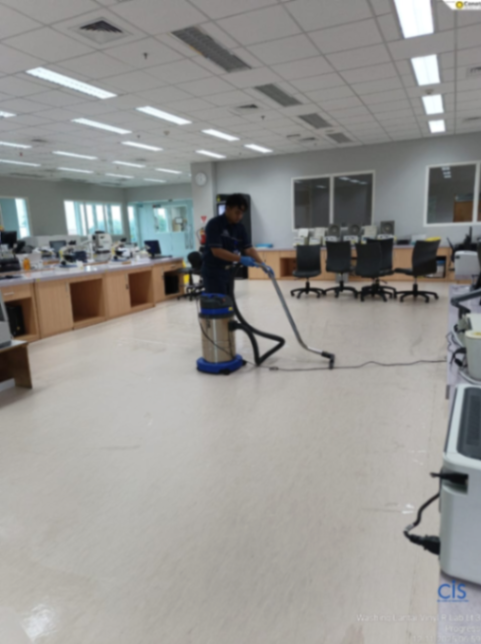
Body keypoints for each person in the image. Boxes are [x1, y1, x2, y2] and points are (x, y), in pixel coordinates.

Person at [201, 194, 264, 294]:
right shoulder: (214, 224)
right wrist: (240, 259)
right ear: (228, 209)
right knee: (218, 302)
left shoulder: (240, 228)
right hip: (213, 272)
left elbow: (248, 249)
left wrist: (262, 264)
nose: (239, 216)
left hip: (229, 271)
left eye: (242, 213)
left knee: (229, 301)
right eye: (237, 212)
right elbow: (217, 251)